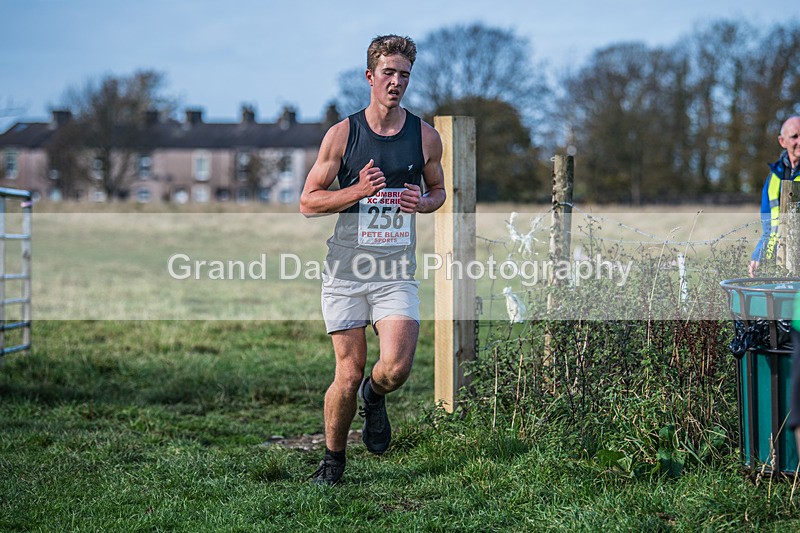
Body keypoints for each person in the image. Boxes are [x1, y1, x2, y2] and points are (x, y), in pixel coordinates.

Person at [299, 34, 446, 485]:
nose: (397, 82)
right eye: (389, 73)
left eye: (404, 74)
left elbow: (439, 190)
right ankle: (333, 462)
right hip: (346, 270)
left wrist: (423, 204)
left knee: (396, 368)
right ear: (370, 77)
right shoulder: (343, 134)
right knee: (348, 370)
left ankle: (375, 396)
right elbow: (308, 202)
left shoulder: (424, 136)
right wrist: (357, 191)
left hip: (394, 271)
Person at [749, 116, 800, 277]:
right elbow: (769, 229)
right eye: (794, 136)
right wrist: (759, 255)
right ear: (782, 141)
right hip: (777, 264)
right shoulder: (774, 178)